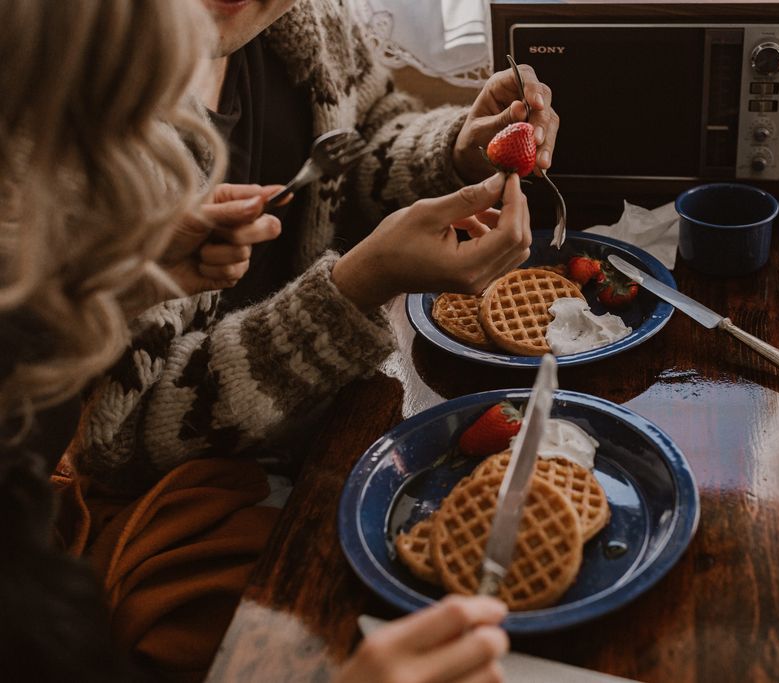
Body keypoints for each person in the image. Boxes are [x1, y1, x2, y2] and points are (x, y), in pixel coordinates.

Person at [1, 1, 517, 680]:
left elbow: (363, 142)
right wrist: (350, 292)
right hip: (218, 491)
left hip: (332, 433)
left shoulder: (304, 28)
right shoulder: (96, 108)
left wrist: (454, 150)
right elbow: (116, 442)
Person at [75, 0, 553, 488]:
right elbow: (122, 434)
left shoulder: (309, 16)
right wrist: (354, 290)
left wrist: (456, 153)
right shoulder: (77, 114)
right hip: (233, 482)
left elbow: (363, 132)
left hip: (342, 408)